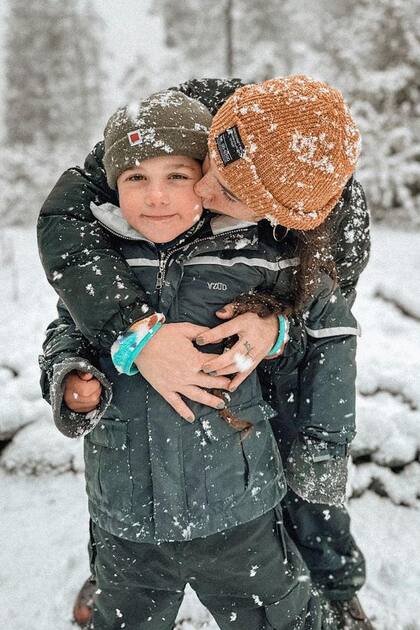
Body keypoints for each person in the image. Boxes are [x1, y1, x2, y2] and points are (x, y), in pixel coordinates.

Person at [38, 76, 372, 629]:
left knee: (295, 438)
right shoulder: (180, 124)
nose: (206, 195)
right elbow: (65, 228)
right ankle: (126, 568)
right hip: (132, 505)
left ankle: (332, 580)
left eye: (234, 199)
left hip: (249, 374)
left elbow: (327, 327)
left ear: (279, 219)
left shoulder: (323, 218)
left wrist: (278, 325)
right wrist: (132, 330)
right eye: (214, 176)